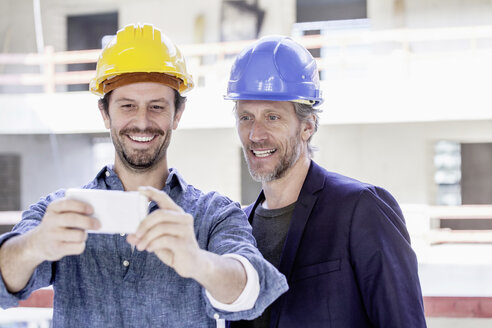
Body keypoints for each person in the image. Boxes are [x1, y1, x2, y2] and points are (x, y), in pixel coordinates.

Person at [0, 24, 288, 327]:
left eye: (156, 107)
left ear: (177, 114)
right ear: (105, 113)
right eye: (127, 106)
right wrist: (35, 245)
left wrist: (198, 261)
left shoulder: (213, 214)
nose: (142, 122)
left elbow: (252, 292)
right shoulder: (60, 212)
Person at [225, 35, 427, 327]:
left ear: (308, 126)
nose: (256, 135)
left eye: (272, 117)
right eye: (245, 117)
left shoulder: (360, 209)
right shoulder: (238, 227)